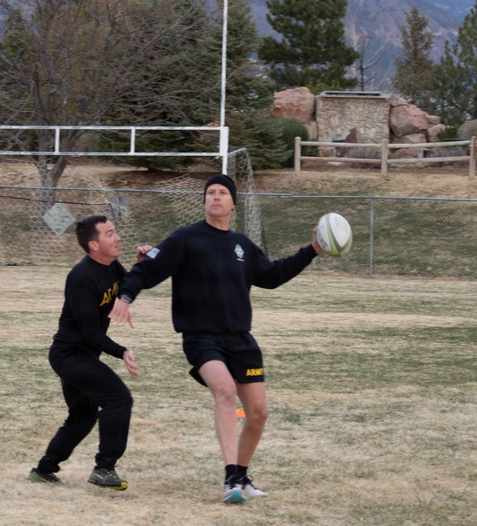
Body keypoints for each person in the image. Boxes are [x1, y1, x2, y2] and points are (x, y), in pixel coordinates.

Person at [110, 174, 323, 504]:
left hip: (241, 339)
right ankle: (230, 479)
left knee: (258, 412)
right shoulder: (185, 238)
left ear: (233, 203)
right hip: (200, 337)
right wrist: (125, 298)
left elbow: (272, 276)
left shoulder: (242, 245)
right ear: (205, 201)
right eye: (211, 192)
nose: (216, 197)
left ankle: (242, 476)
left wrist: (312, 250)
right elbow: (145, 271)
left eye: (223, 192)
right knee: (224, 391)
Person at [28, 215, 145, 491]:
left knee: (82, 417)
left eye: (115, 232)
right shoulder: (81, 277)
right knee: (119, 399)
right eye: (109, 234)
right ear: (94, 245)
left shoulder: (112, 266)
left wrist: (143, 265)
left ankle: (43, 470)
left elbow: (129, 286)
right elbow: (91, 332)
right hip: (70, 355)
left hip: (83, 355)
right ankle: (104, 467)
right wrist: (122, 351)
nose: (117, 238)